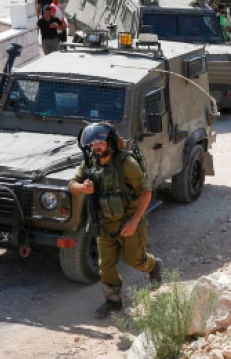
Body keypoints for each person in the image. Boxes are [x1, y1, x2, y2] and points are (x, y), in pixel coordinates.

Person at [69, 123, 162, 318]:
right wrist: (82, 188)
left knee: (135, 260)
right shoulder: (90, 162)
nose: (96, 147)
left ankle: (153, 266)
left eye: (100, 142)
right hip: (103, 223)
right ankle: (113, 301)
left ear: (110, 142)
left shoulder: (126, 163)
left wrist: (134, 221)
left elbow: (146, 192)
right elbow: (72, 185)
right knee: (106, 265)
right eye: (93, 144)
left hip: (128, 221)